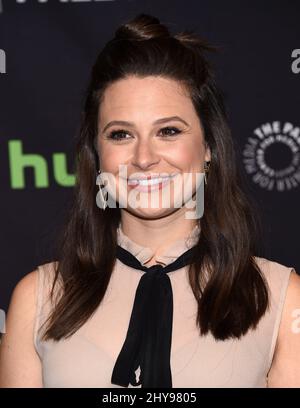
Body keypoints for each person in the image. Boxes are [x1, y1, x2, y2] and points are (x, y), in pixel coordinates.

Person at [0, 13, 299, 388]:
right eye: (121, 134)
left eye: (169, 131)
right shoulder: (40, 297)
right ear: (96, 153)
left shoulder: (280, 298)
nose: (144, 158)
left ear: (208, 147)